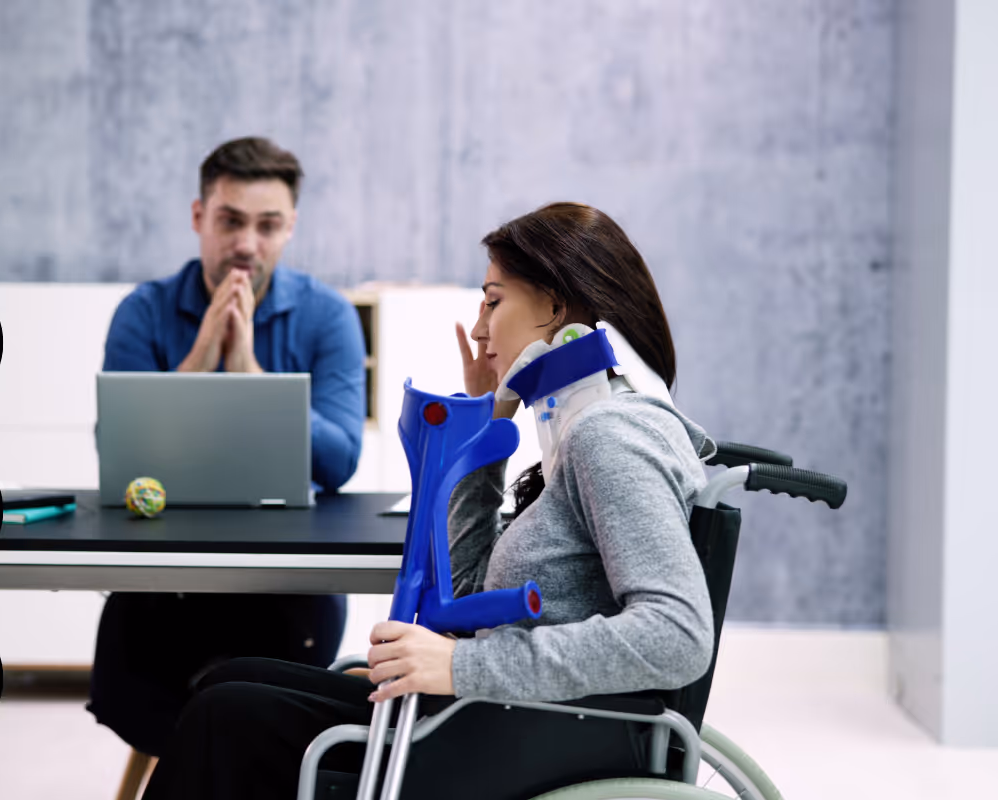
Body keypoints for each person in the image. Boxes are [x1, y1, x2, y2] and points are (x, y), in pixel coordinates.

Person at [139, 202, 717, 799]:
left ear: (554, 306)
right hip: (501, 714)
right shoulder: (581, 428)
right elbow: (466, 593)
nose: (478, 328)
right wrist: (488, 417)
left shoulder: (611, 434)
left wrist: (457, 668)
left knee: (226, 717)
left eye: (493, 300)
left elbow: (677, 634)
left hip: (531, 732)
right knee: (229, 681)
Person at [88, 137, 366, 759]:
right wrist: (198, 361)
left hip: (287, 589)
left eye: (267, 225)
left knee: (247, 718)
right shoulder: (144, 311)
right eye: (230, 221)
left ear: (290, 226)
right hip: (163, 588)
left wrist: (249, 375)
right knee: (194, 719)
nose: (247, 243)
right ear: (198, 218)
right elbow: (121, 457)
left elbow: (340, 461)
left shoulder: (328, 317)